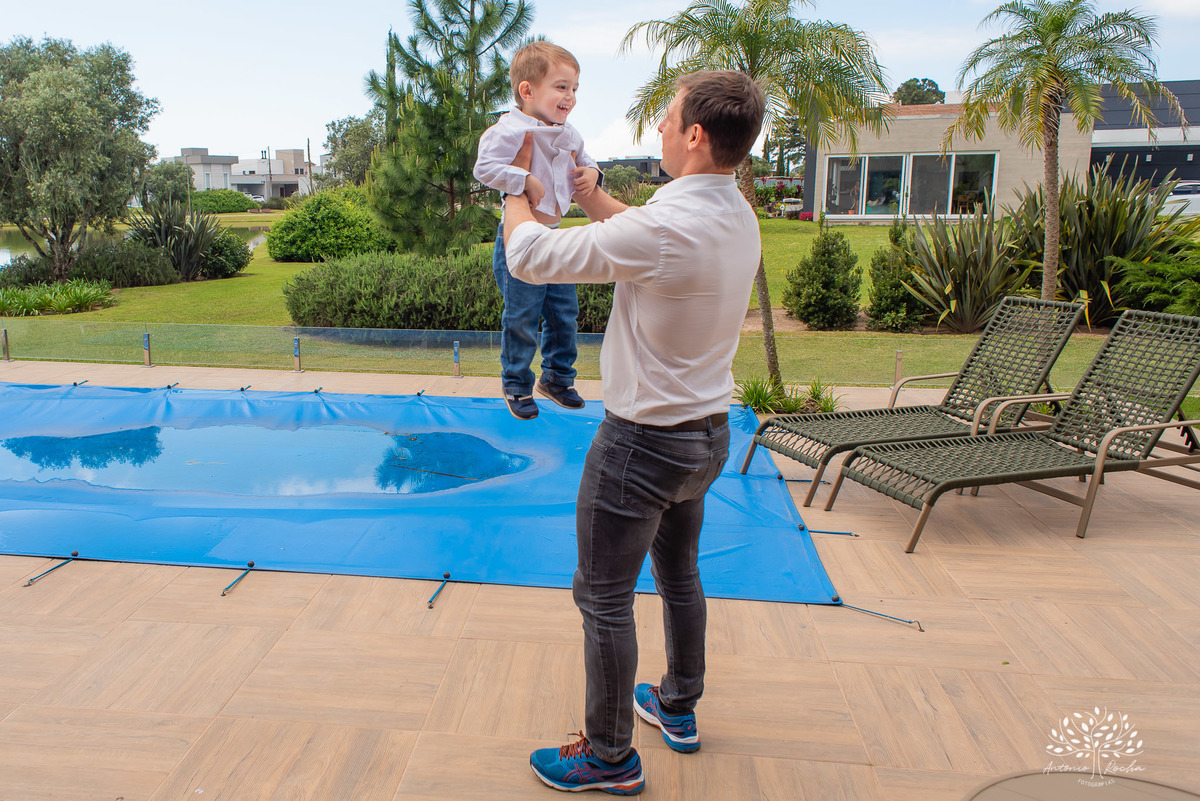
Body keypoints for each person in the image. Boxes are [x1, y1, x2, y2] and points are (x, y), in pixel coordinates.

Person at [502, 70, 766, 795]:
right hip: (707, 436)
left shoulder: (664, 225)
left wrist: (512, 184)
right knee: (679, 573)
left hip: (642, 445)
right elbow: (642, 245)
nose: (657, 130)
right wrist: (590, 197)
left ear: (695, 136)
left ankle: (610, 755)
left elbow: (530, 257)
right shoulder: (736, 213)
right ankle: (677, 705)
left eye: (667, 118)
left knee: (604, 598)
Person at [473, 41, 602, 420]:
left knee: (565, 314)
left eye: (574, 89)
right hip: (518, 238)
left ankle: (558, 379)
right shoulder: (509, 129)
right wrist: (522, 177)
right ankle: (516, 384)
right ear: (527, 91)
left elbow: (587, 158)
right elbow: (485, 167)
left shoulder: (569, 131)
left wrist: (593, 172)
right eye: (561, 87)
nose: (570, 97)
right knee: (522, 316)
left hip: (555, 236)